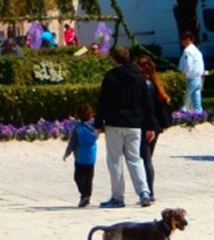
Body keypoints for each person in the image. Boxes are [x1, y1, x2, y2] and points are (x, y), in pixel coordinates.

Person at [93, 45, 154, 208]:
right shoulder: (139, 76)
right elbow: (147, 103)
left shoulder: (111, 76)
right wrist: (150, 125)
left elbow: (103, 102)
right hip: (134, 124)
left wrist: (97, 124)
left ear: (114, 59)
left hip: (114, 122)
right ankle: (144, 192)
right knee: (135, 158)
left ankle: (118, 197)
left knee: (115, 160)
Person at [133, 55, 170, 202]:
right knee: (147, 158)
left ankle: (149, 192)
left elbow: (145, 108)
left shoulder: (144, 85)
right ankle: (150, 191)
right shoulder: (156, 83)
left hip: (146, 125)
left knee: (145, 159)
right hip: (156, 124)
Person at [63, 103, 97, 207]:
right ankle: (87, 196)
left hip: (80, 159)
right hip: (91, 158)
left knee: (78, 178)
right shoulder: (94, 129)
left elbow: (72, 143)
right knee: (89, 179)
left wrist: (66, 154)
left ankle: (84, 195)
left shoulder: (78, 129)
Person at [178, 31, 205, 113]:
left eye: (183, 40)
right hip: (198, 79)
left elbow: (188, 65)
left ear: (188, 39)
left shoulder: (187, 51)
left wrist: (183, 75)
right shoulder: (197, 51)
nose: (181, 42)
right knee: (197, 102)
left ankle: (182, 117)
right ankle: (199, 117)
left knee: (184, 100)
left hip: (190, 78)